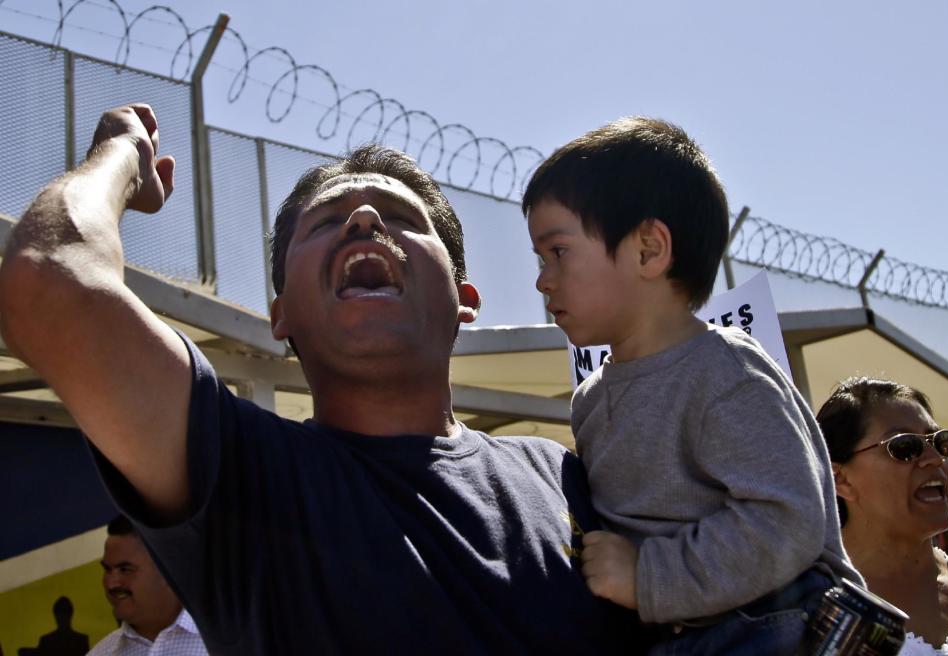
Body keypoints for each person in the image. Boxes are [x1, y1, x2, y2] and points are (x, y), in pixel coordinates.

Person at [0, 104, 640, 654]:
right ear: (279, 313)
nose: (363, 219)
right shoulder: (242, 476)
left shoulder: (569, 477)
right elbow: (52, 283)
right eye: (328, 222)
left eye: (400, 216)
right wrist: (120, 155)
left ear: (465, 298)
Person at [523, 116, 863, 653]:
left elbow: (786, 519)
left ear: (648, 250)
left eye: (558, 251)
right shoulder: (590, 400)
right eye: (539, 259)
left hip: (762, 631)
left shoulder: (723, 370)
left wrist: (648, 576)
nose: (542, 279)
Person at [818, 376, 948, 655]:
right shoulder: (807, 608)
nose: (934, 459)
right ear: (840, 478)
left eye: (940, 442)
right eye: (905, 447)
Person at [87, 515, 206, 655]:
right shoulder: (102, 653)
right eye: (107, 569)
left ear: (168, 570)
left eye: (125, 569)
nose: (111, 584)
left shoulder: (227, 640)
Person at [17, 596, 88, 656]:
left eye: (63, 614)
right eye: (59, 615)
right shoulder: (81, 640)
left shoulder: (46, 640)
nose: (61, 618)